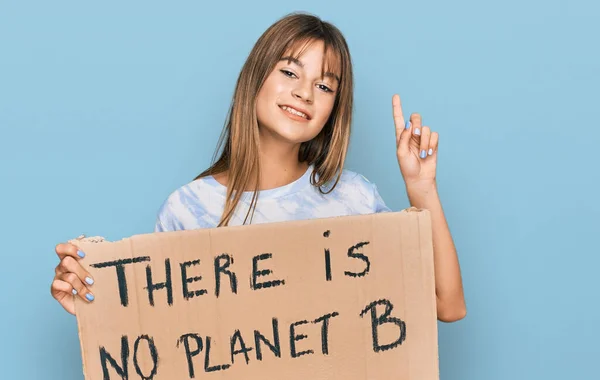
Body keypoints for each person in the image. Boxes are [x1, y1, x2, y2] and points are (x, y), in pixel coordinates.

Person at [51, 12, 466, 322]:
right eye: (289, 71)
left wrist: (421, 187)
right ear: (256, 77)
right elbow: (166, 338)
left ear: (333, 109)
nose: (304, 93)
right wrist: (95, 304)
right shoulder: (188, 209)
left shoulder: (352, 199)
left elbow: (446, 305)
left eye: (324, 86)